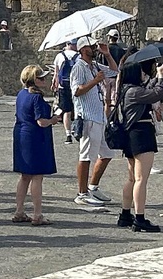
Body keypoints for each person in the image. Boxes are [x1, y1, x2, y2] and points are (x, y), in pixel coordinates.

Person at [116, 56, 163, 232]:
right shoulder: (134, 92)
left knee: (132, 178)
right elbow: (158, 93)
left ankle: (125, 214)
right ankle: (139, 218)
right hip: (141, 133)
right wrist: (161, 77)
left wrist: (156, 77)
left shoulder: (126, 90)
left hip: (131, 134)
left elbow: (148, 88)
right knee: (141, 179)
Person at [70, 37, 119, 205]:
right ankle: (82, 193)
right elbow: (76, 91)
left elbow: (114, 71)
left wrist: (108, 54)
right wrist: (95, 81)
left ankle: (93, 187)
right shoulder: (79, 67)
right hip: (88, 117)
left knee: (107, 153)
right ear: (84, 50)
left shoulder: (95, 66)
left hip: (99, 117)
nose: (95, 48)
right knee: (85, 156)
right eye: (92, 46)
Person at [12, 65, 59, 226]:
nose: (44, 79)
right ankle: (37, 214)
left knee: (25, 175)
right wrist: (53, 119)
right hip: (34, 136)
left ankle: (19, 211)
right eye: (41, 78)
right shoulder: (36, 97)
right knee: (37, 176)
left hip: (21, 134)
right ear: (34, 80)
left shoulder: (21, 94)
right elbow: (41, 122)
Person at [52, 41, 79, 144]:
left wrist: (54, 84)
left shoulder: (59, 56)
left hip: (63, 86)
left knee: (66, 111)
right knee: (77, 109)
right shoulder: (78, 56)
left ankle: (68, 135)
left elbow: (56, 73)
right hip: (75, 86)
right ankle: (76, 129)